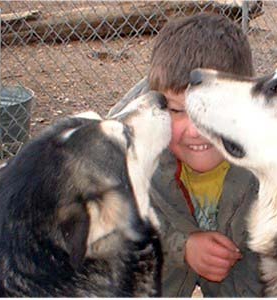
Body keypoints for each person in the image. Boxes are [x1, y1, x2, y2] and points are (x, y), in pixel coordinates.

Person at [109, 13, 263, 297]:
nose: (195, 131)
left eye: (210, 110)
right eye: (177, 111)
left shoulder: (273, 149)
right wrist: (182, 246)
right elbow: (113, 219)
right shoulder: (130, 144)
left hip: (244, 261)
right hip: (165, 256)